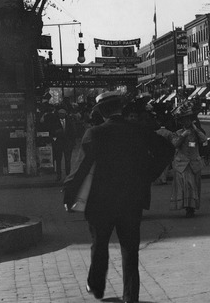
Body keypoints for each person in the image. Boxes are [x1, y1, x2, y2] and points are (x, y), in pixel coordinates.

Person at [62, 91, 174, 303]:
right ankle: (131, 296)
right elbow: (167, 150)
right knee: (130, 251)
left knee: (99, 244)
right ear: (120, 108)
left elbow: (81, 169)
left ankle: (96, 286)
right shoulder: (139, 130)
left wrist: (69, 194)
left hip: (100, 202)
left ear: (102, 111)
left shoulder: (94, 133)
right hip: (132, 200)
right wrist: (148, 174)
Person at [170, 101, 208, 217]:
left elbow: (203, 139)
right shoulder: (178, 133)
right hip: (182, 164)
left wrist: (196, 129)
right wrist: (183, 136)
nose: (187, 122)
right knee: (186, 185)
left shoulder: (196, 132)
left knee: (194, 185)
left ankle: (191, 207)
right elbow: (175, 144)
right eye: (184, 120)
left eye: (188, 119)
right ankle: (187, 207)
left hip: (194, 163)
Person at [47, 107, 78, 181]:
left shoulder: (69, 122)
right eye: (60, 114)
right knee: (58, 160)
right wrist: (54, 139)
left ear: (65, 114)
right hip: (58, 143)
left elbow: (73, 132)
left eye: (63, 114)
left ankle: (68, 174)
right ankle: (59, 175)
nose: (61, 115)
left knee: (68, 160)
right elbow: (51, 132)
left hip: (67, 143)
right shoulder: (54, 122)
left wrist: (72, 143)